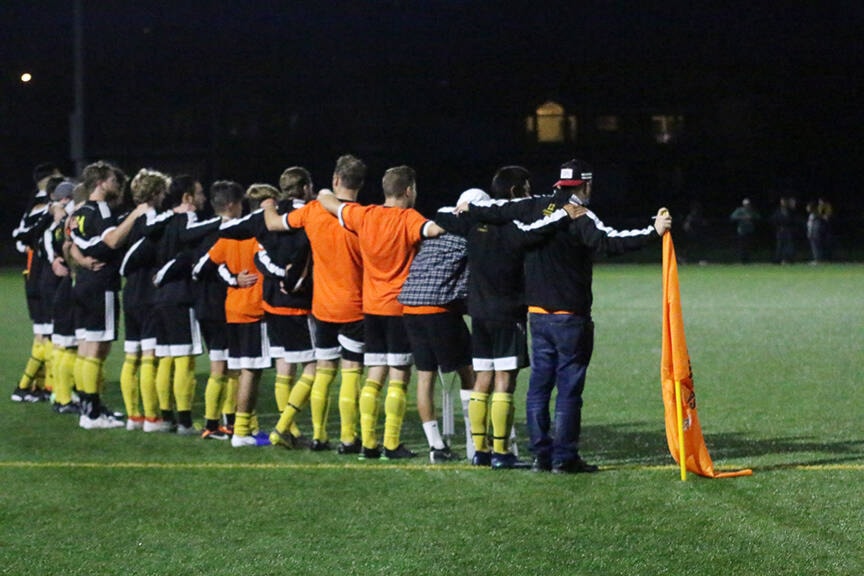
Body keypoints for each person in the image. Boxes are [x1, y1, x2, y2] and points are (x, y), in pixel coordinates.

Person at [463, 159, 672, 474]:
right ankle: (564, 457)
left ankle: (540, 456)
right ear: (586, 185)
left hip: (537, 315)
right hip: (569, 316)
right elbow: (610, 241)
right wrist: (653, 232)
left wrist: (466, 208)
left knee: (539, 387)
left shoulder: (534, 206)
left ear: (559, 184)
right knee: (569, 389)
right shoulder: (579, 215)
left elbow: (495, 211)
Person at [437, 166, 577, 469]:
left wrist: (464, 209)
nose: (530, 193)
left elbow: (441, 214)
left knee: (482, 380)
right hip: (507, 313)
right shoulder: (515, 229)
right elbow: (544, 227)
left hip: (479, 313)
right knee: (504, 381)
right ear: (515, 192)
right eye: (526, 188)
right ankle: (502, 453)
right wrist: (566, 213)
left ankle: (480, 451)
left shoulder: (472, 225)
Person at [316, 165, 447, 459]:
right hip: (399, 309)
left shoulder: (365, 215)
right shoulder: (409, 218)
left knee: (374, 375)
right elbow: (434, 230)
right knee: (399, 376)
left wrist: (325, 190)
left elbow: (329, 203)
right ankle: (390, 443)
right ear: (409, 190)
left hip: (371, 308)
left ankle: (368, 444)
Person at [260, 155, 367, 454]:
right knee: (350, 372)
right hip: (354, 305)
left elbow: (274, 224)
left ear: (335, 180)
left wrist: (268, 205)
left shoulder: (313, 211)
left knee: (323, 370)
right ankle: (348, 437)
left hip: (322, 306)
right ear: (360, 184)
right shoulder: (362, 217)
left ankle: (319, 436)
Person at [398, 189, 477, 463]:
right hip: (439, 311)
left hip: (410, 307)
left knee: (425, 377)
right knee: (469, 372)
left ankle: (436, 446)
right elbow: (467, 282)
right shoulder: (469, 238)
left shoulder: (434, 233)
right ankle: (474, 440)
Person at [69, 161, 149, 429]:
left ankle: (88, 407)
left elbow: (70, 243)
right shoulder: (100, 208)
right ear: (101, 182)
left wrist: (81, 260)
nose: (117, 185)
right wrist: (136, 215)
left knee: (84, 347)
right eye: (114, 181)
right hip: (101, 283)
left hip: (83, 282)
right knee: (97, 349)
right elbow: (113, 240)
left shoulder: (79, 211)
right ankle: (92, 415)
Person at [207, 182, 271, 447]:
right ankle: (242, 431)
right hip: (253, 309)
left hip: (232, 309)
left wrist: (232, 279)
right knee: (250, 372)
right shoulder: (258, 235)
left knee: (239, 370)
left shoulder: (229, 236)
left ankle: (238, 426)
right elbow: (267, 264)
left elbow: (211, 263)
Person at [118, 169, 174, 430]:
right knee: (150, 356)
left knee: (132, 356)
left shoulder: (127, 219)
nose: (165, 196)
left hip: (130, 292)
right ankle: (152, 417)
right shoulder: (153, 219)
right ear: (154, 193)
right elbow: (144, 251)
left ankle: (133, 416)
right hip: (148, 293)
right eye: (162, 191)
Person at [11, 162, 62, 402]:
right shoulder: (45, 208)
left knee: (42, 335)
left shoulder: (34, 206)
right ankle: (45, 388)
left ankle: (35, 387)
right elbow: (22, 239)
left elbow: (20, 240)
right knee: (48, 336)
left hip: (33, 276)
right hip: (42, 276)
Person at [729, 198, 759, 263]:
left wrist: (752, 217)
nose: (747, 205)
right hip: (742, 230)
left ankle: (748, 259)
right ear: (743, 204)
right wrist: (742, 218)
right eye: (746, 204)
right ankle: (742, 260)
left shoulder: (751, 210)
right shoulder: (739, 210)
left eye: (748, 204)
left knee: (749, 245)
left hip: (750, 230)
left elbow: (758, 216)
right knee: (742, 246)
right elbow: (732, 217)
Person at [770, 196, 797, 264]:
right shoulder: (777, 211)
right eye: (782, 201)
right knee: (780, 245)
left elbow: (794, 219)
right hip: (780, 231)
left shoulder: (790, 210)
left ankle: (788, 259)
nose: (783, 203)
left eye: (784, 201)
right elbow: (773, 220)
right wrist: (778, 227)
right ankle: (778, 259)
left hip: (788, 230)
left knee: (789, 245)